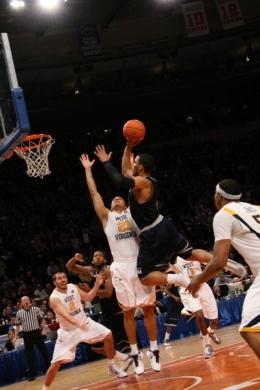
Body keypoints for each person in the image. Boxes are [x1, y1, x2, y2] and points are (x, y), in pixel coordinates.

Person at [78, 153, 160, 373]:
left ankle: (154, 351)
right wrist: (88, 169)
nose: (115, 199)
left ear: (125, 203)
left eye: (119, 198)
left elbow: (132, 180)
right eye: (113, 199)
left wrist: (131, 164)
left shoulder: (134, 213)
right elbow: (94, 193)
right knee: (128, 312)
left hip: (139, 262)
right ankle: (135, 355)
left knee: (149, 309)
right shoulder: (107, 217)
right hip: (120, 265)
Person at [188, 179, 260, 358]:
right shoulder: (256, 208)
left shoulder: (223, 214)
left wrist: (198, 280)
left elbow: (219, 261)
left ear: (219, 197)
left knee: (248, 329)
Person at [42, 271, 132, 390]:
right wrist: (77, 322)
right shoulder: (54, 298)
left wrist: (97, 284)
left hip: (85, 323)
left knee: (108, 335)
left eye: (64, 277)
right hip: (68, 331)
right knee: (56, 363)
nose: (63, 280)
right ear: (54, 282)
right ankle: (45, 388)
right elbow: (64, 315)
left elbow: (89, 297)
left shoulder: (72, 287)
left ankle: (112, 367)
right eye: (59, 278)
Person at [66, 250, 129, 354]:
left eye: (100, 256)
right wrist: (75, 259)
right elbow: (70, 267)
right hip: (106, 310)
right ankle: (118, 358)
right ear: (92, 260)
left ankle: (127, 360)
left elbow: (108, 293)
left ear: (104, 260)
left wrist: (90, 291)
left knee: (124, 346)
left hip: (116, 309)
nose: (97, 257)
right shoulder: (91, 270)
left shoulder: (107, 270)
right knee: (96, 345)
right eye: (95, 256)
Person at [172, 256, 221, 358]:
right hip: (187, 290)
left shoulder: (196, 254)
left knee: (215, 321)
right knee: (199, 315)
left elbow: (212, 262)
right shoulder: (172, 259)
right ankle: (207, 345)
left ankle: (210, 332)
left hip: (203, 287)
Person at [14, 296, 50, 381]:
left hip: (36, 332)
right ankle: (33, 374)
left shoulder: (36, 309)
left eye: (27, 300)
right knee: (30, 356)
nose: (26, 301)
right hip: (27, 335)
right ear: (21, 303)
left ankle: (49, 370)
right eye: (24, 300)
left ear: (29, 301)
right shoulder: (19, 313)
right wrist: (15, 336)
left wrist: (44, 329)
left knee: (43, 351)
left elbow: (42, 319)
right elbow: (17, 326)